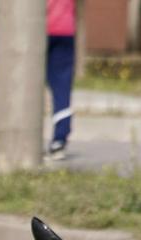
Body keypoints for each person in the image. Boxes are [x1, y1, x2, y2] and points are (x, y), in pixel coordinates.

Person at [46, 0, 76, 160]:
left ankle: (20, 136)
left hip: (38, 28)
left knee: (25, 84)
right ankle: (59, 139)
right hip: (65, 29)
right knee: (62, 85)